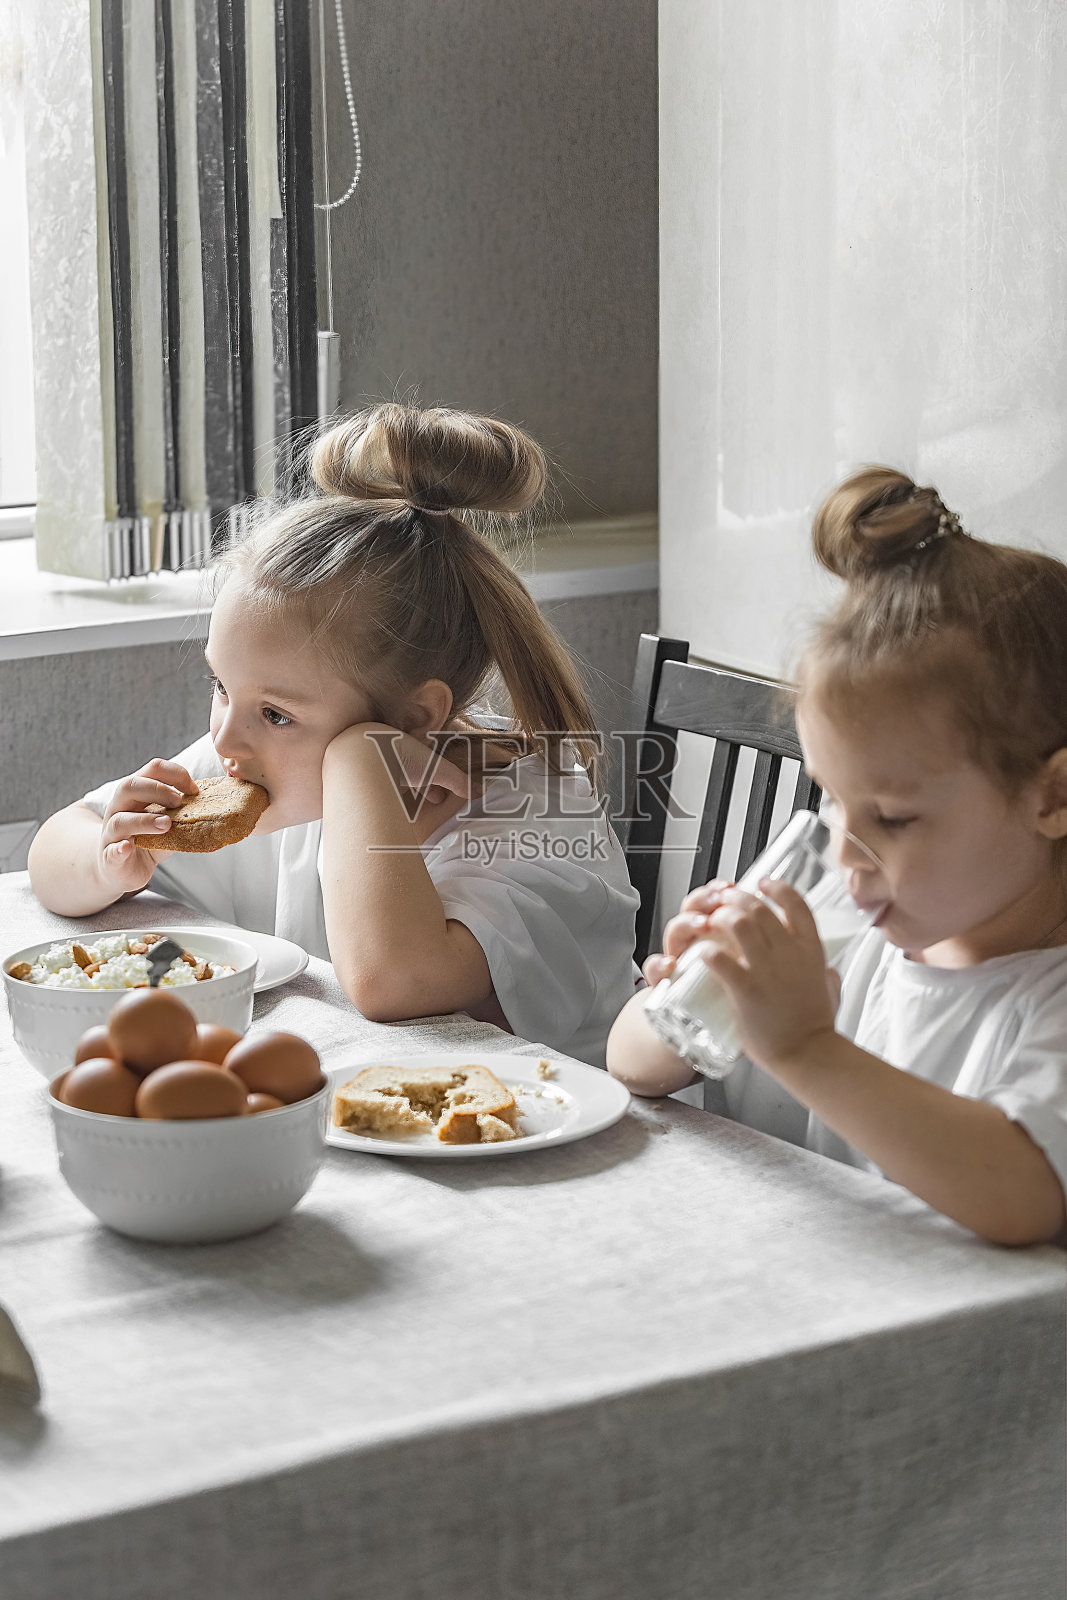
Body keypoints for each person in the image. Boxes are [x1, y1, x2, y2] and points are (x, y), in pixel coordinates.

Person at [29, 403, 638, 1069]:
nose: (226, 738)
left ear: (412, 720)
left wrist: (357, 761)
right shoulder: (261, 763)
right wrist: (105, 859)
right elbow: (51, 856)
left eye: (276, 713)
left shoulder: (536, 816)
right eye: (220, 687)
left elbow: (391, 984)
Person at [607, 466, 1067, 1245]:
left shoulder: (1044, 999)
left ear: (1050, 799)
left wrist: (802, 1046)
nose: (844, 854)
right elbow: (629, 1063)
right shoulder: (837, 923)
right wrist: (698, 994)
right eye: (828, 797)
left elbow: (1020, 1195)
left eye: (890, 817)